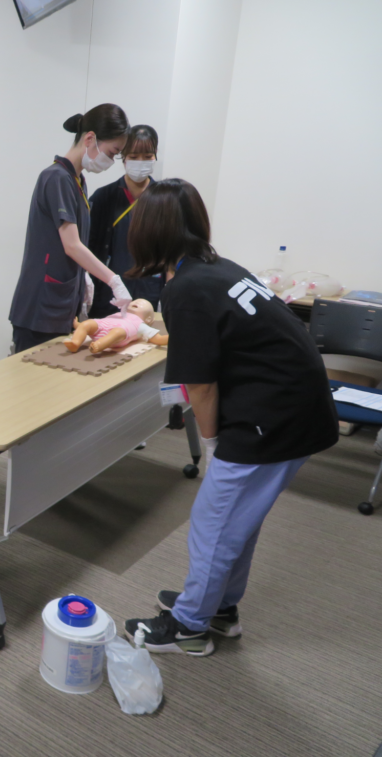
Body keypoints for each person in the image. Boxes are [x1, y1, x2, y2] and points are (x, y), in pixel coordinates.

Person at [122, 179, 338, 656]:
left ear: (150, 232)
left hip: (274, 414)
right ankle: (218, 607)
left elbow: (200, 385)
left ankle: (189, 627)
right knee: (238, 519)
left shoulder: (187, 289)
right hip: (295, 404)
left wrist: (211, 443)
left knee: (214, 522)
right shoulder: (217, 268)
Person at [8, 105, 132, 353]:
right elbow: (72, 245)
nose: (110, 161)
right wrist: (113, 280)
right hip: (41, 306)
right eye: (112, 152)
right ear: (90, 138)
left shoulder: (77, 181)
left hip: (60, 301)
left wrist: (82, 277)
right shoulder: (57, 178)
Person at [88, 125, 164, 318]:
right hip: (108, 295)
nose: (141, 162)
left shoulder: (164, 199)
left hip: (150, 294)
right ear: (123, 156)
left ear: (155, 155)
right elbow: (88, 247)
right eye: (134, 156)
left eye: (147, 156)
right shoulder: (104, 197)